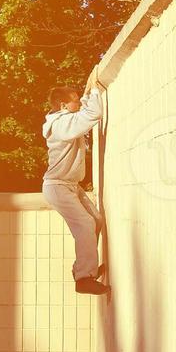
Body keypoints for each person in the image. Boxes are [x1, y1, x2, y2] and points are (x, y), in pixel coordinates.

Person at [41, 76, 108, 295]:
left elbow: (84, 114)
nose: (78, 104)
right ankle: (83, 278)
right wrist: (96, 90)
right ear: (63, 105)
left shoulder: (65, 120)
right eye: (75, 101)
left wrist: (87, 94)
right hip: (58, 187)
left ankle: (84, 268)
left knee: (95, 221)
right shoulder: (61, 124)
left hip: (69, 185)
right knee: (85, 224)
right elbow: (94, 114)